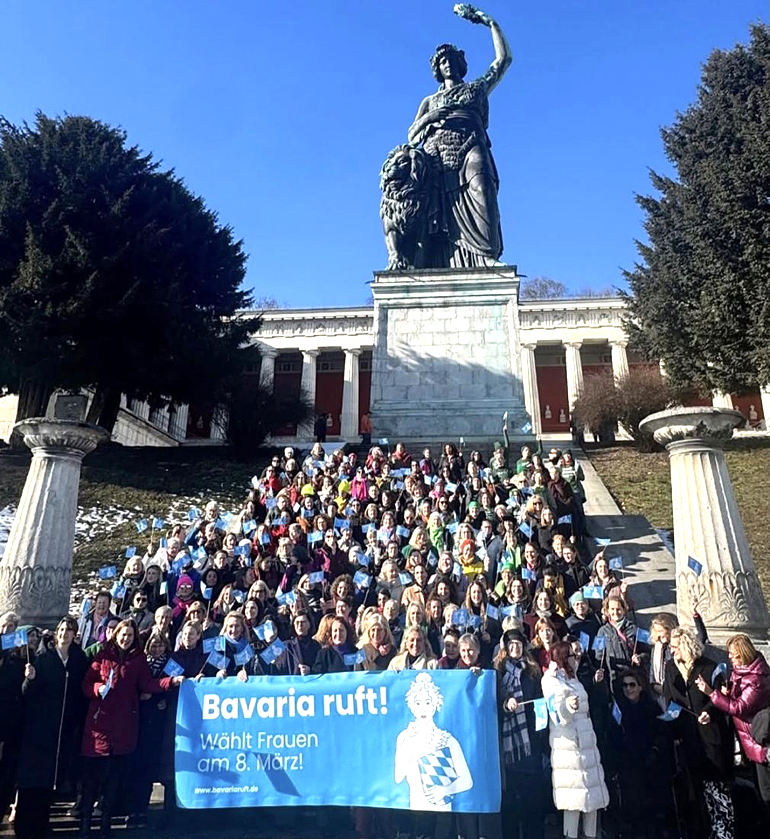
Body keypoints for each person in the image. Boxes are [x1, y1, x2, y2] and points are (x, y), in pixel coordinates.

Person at [405, 7, 511, 268]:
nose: (448, 64)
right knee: (435, 210)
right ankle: (430, 260)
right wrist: (430, 117)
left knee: (481, 186)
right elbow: (412, 135)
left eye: (452, 59)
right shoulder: (430, 101)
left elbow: (503, 60)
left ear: (461, 64)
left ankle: (486, 254)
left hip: (470, 145)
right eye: (443, 62)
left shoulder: (476, 89)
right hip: (436, 156)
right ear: (438, 70)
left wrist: (488, 22)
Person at [80, 619, 184, 838]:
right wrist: (98, 688)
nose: (126, 638)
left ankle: (106, 823)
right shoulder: (102, 655)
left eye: (129, 635)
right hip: (100, 724)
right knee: (92, 778)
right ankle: (86, 823)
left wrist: (171, 682)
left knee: (114, 779)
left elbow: (147, 684)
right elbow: (87, 683)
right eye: (123, 634)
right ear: (116, 634)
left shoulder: (138, 660)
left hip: (124, 726)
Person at [14, 616, 88, 839]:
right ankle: (24, 824)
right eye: (62, 629)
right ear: (56, 633)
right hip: (39, 728)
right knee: (31, 779)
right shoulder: (43, 657)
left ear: (75, 634)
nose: (65, 633)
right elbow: (26, 692)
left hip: (63, 729)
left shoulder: (78, 659)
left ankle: (42, 822)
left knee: (50, 780)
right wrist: (30, 679)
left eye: (69, 630)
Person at [665, 626, 734, 839]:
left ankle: (724, 831)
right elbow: (670, 698)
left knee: (717, 786)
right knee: (696, 789)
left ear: (686, 646)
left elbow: (721, 699)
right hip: (687, 737)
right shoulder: (670, 667)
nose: (672, 651)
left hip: (711, 735)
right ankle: (704, 831)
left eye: (675, 647)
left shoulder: (709, 667)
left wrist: (708, 711)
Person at [541, 640, 610, 839]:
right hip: (570, 744)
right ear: (563, 658)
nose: (576, 658)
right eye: (572, 655)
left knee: (592, 798)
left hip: (587, 738)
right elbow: (556, 711)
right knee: (574, 798)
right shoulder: (551, 679)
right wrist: (568, 708)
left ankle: (591, 835)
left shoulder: (574, 677)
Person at [696, 633, 770, 817]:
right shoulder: (740, 671)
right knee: (759, 791)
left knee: (766, 791)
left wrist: (712, 693)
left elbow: (739, 707)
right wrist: (726, 692)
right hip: (748, 739)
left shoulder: (757, 679)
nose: (729, 657)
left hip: (760, 741)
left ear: (743, 654)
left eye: (733, 654)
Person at [496, 628, 546, 839]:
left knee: (532, 803)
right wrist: (507, 701)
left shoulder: (532, 672)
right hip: (509, 749)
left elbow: (540, 703)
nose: (515, 648)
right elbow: (496, 700)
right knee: (511, 806)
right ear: (505, 649)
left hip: (530, 745)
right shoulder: (498, 672)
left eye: (518, 644)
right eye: (511, 645)